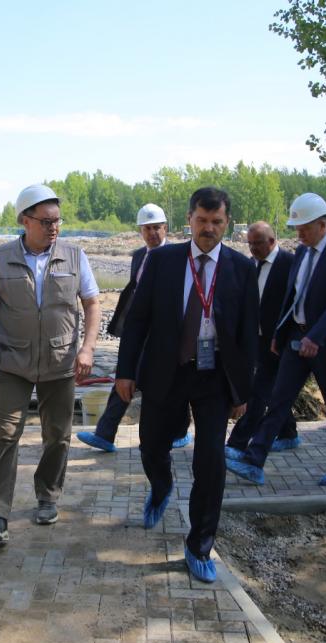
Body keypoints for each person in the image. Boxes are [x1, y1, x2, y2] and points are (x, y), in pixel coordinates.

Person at [115, 186, 257, 583]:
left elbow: (248, 335)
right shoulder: (162, 261)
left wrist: (243, 391)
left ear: (227, 223)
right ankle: (161, 485)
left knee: (210, 462)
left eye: (217, 221)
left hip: (215, 378)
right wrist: (125, 371)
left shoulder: (241, 269)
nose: (209, 228)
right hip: (167, 370)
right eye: (202, 220)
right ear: (189, 220)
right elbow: (137, 320)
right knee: (151, 445)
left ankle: (199, 546)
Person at [0, 184, 101, 543]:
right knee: (5, 434)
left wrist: (87, 349)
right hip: (12, 362)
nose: (53, 228)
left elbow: (92, 303)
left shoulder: (75, 256)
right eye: (46, 222)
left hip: (61, 362)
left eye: (57, 221)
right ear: (25, 220)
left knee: (58, 436)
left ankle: (47, 497)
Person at [226, 193, 326, 487]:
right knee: (279, 399)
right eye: (296, 229)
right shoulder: (301, 252)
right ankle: (254, 460)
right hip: (297, 338)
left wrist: (316, 336)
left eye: (304, 229)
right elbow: (293, 296)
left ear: (322, 224)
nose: (299, 234)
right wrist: (280, 332)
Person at [77, 203, 192, 453]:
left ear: (165, 228)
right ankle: (105, 433)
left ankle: (181, 431)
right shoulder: (139, 256)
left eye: (157, 228)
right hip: (140, 330)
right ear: (140, 230)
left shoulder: (178, 257)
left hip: (168, 333)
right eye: (147, 228)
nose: (152, 233)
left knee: (175, 379)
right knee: (125, 374)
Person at [226, 221, 299, 459]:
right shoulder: (250, 264)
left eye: (257, 243)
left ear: (272, 241)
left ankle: (237, 442)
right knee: (276, 389)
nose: (253, 248)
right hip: (256, 339)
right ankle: (288, 433)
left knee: (258, 391)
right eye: (250, 244)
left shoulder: (289, 264)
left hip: (280, 340)